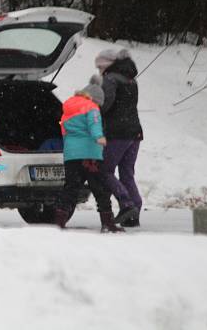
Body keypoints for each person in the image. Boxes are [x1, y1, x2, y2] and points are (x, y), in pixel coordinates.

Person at [54, 75, 124, 233]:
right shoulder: (91, 107)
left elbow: (64, 132)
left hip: (72, 155)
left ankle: (59, 221)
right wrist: (99, 138)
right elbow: (94, 124)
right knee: (100, 190)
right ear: (96, 99)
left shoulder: (68, 108)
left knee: (70, 188)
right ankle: (108, 222)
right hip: (90, 155)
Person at [96, 48, 143, 227]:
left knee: (104, 170)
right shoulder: (132, 79)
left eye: (99, 66)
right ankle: (134, 210)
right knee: (126, 173)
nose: (99, 70)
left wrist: (92, 111)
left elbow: (105, 104)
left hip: (118, 133)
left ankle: (126, 204)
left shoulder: (110, 79)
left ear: (107, 64)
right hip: (135, 132)